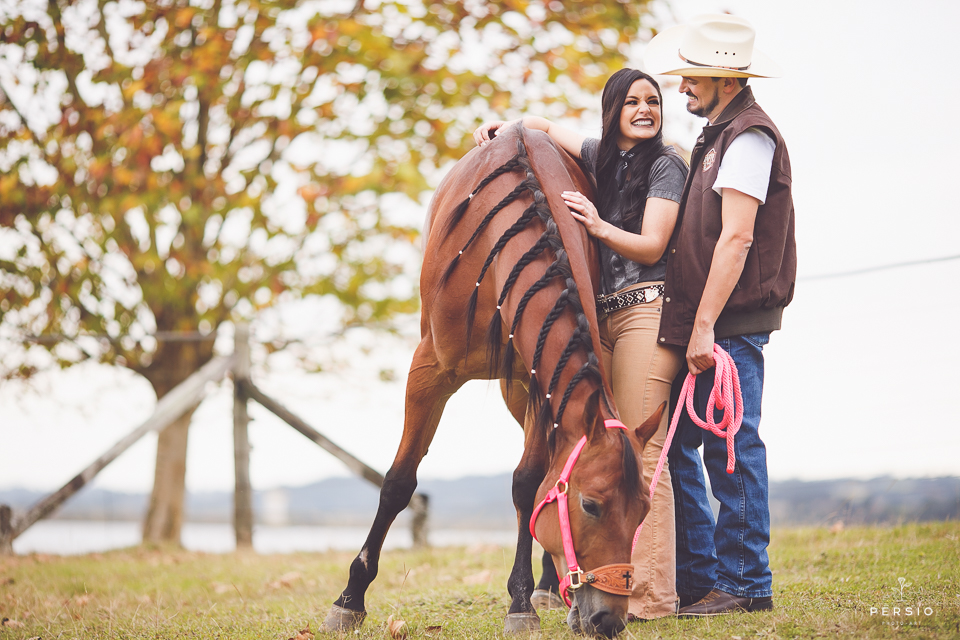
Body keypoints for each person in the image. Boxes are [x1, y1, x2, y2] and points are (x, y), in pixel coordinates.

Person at [473, 68, 689, 621]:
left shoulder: (668, 163)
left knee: (640, 454)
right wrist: (504, 131)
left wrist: (595, 225)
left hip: (646, 307)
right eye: (634, 102)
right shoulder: (600, 156)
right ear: (613, 109)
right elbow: (542, 126)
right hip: (605, 320)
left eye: (654, 101)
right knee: (606, 454)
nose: (646, 109)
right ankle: (612, 575)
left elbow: (654, 244)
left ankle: (648, 596)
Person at [643, 14, 797, 616]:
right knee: (684, 445)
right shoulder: (719, 134)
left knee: (731, 448)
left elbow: (736, 239)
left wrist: (704, 325)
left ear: (724, 79)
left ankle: (744, 584)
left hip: (726, 325)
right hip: (704, 323)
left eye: (691, 80)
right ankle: (703, 577)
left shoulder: (750, 136)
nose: (682, 88)